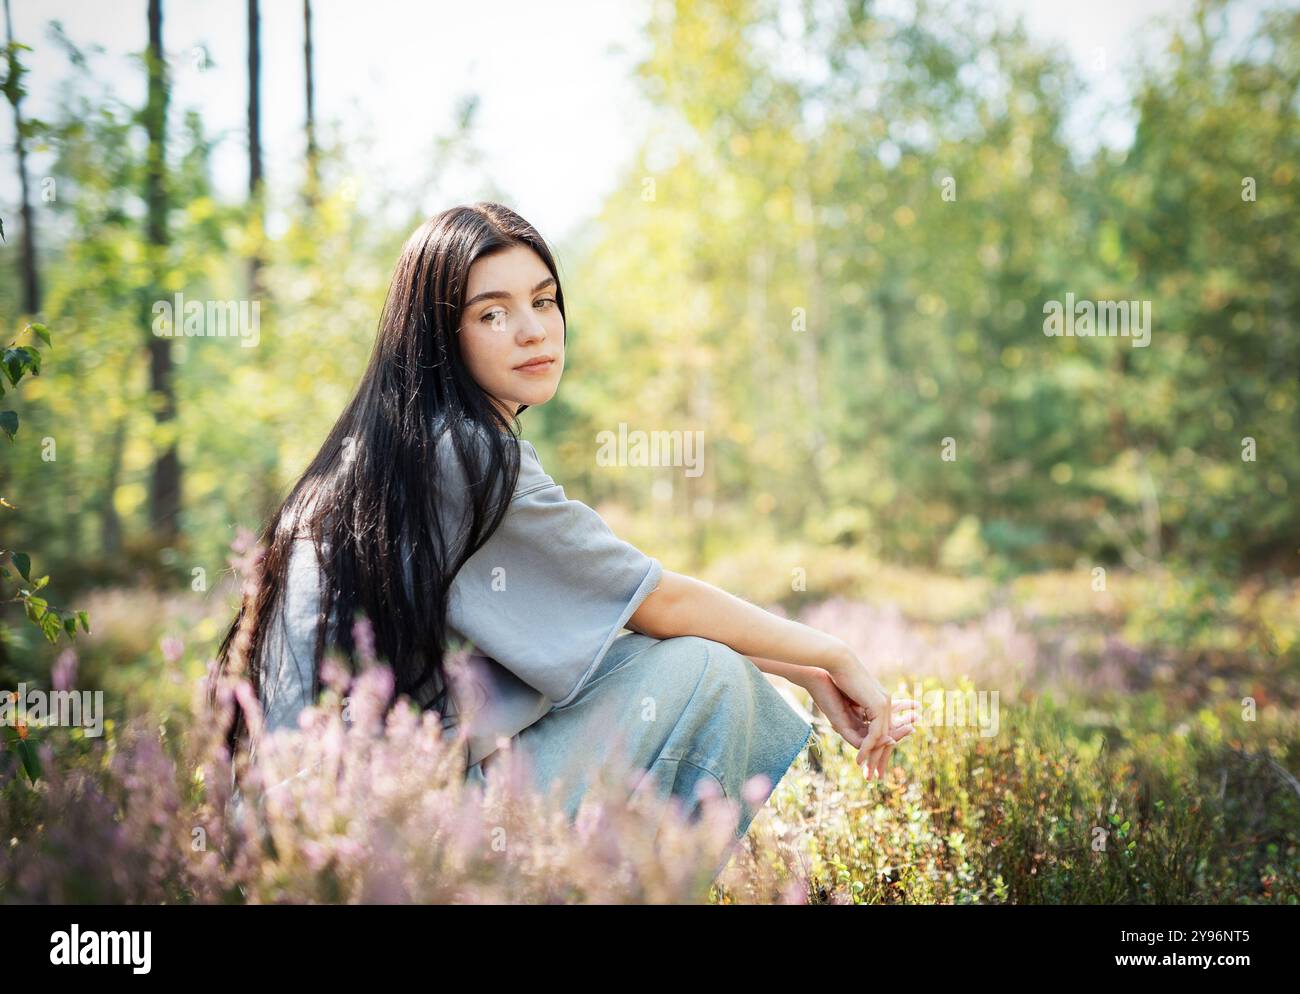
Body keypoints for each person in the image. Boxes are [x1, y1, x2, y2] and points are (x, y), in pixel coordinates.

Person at [213, 201, 917, 851]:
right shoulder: (463, 455)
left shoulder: (394, 450)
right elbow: (656, 601)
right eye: (492, 314)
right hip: (385, 841)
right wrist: (836, 653)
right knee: (707, 674)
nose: (532, 329)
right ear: (439, 336)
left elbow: (610, 625)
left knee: (679, 662)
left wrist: (803, 671)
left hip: (312, 833)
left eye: (544, 301)